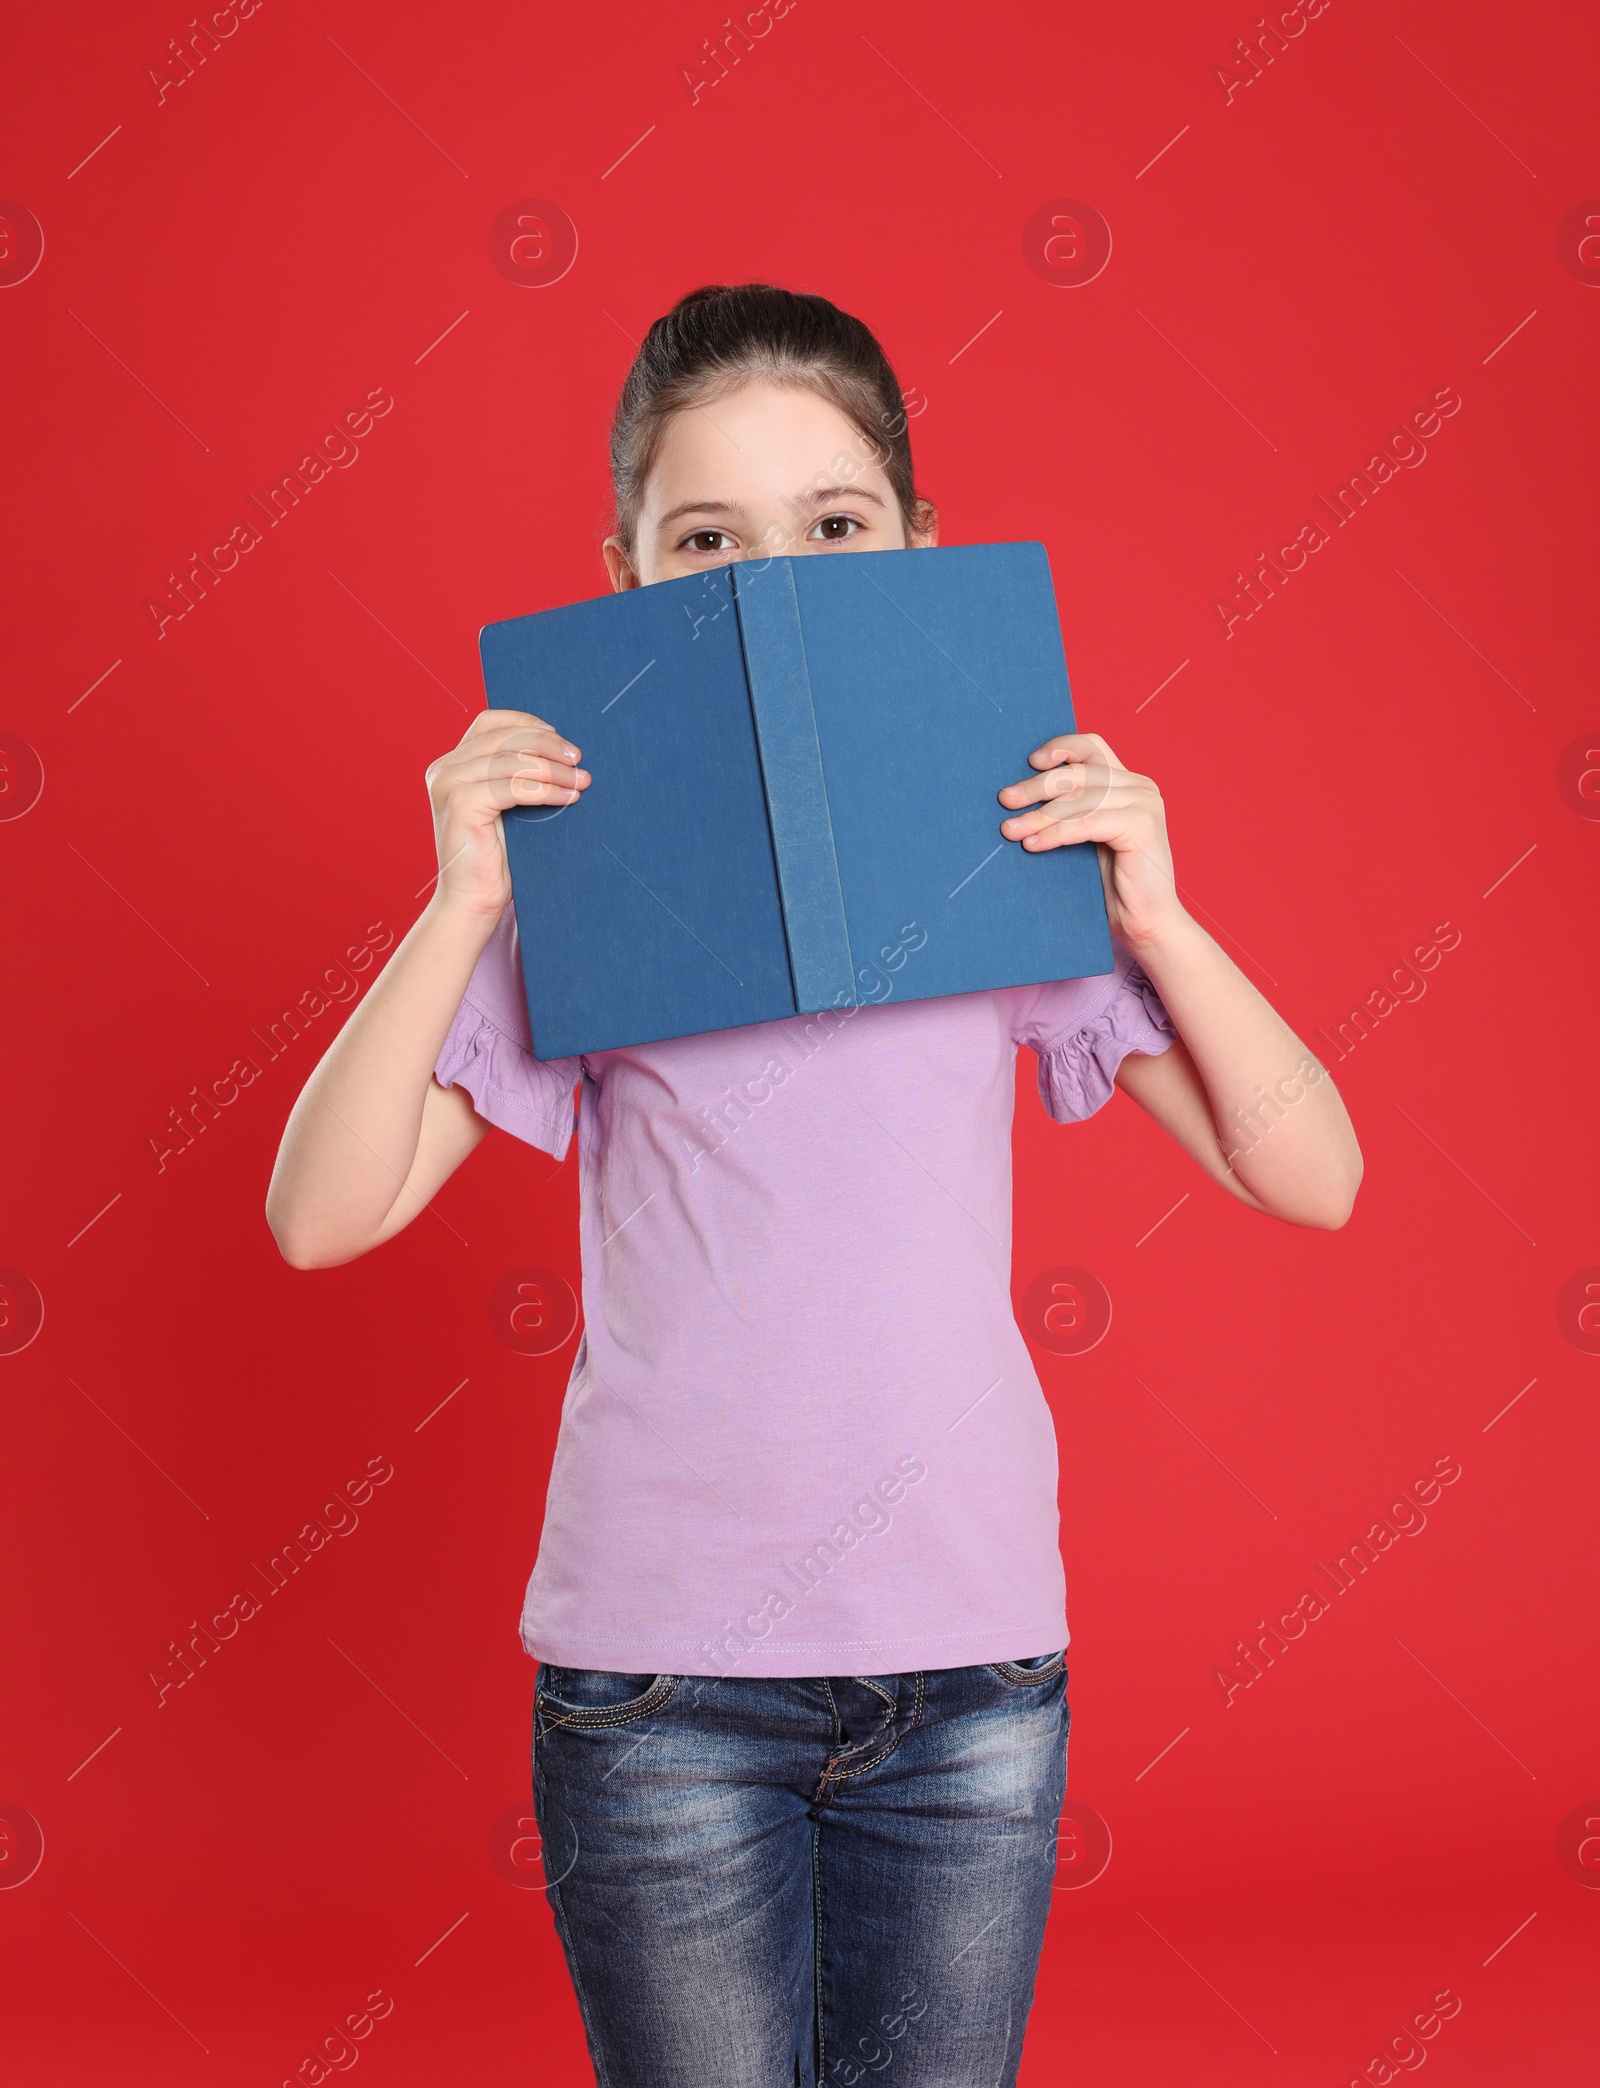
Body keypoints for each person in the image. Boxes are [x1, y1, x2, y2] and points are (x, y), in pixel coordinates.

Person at [266, 283, 1362, 2087]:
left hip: (971, 1668)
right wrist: (461, 897)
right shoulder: (579, 895)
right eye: (707, 538)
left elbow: (1311, 1173)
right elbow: (319, 1217)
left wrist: (1154, 907)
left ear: (917, 550)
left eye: (834, 527)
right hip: (661, 1691)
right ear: (623, 574)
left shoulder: (995, 856)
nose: (774, 577)